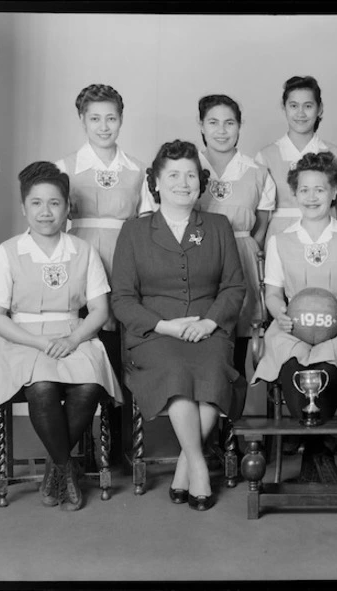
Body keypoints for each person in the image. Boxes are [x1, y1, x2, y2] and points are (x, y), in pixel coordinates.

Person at [111, 140, 246, 511]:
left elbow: (234, 286)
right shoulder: (134, 232)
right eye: (173, 175)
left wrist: (208, 323)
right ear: (155, 181)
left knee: (211, 371)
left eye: (190, 174)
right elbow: (121, 299)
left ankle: (186, 464)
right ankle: (199, 465)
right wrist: (164, 327)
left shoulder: (218, 226)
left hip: (210, 329)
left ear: (201, 182)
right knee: (176, 373)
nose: (183, 182)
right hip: (155, 335)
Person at [0, 161, 122, 511]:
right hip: (22, 340)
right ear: (24, 207)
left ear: (67, 206)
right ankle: (65, 468)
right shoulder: (7, 253)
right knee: (41, 387)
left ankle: (56, 471)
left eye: (55, 203)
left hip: (75, 333)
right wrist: (40, 343)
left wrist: (74, 340)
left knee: (89, 386)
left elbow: (100, 311)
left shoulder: (83, 251)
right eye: (36, 203)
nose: (46, 212)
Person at [251, 151, 337, 482]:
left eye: (320, 189)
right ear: (294, 194)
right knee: (296, 364)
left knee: (325, 364)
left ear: (335, 191)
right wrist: (279, 314)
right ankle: (317, 452)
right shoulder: (280, 240)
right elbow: (271, 293)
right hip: (292, 325)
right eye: (305, 190)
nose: (312, 197)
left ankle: (318, 452)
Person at [54, 83, 155, 462]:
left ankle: (118, 442)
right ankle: (82, 441)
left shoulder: (136, 169)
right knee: (84, 350)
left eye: (111, 117)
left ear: (122, 119)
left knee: (119, 353)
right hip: (79, 266)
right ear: (82, 120)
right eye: (95, 118)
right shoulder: (65, 167)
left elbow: (145, 225)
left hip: (124, 264)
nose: (103, 126)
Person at [196, 94, 276, 379]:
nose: (221, 130)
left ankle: (234, 421)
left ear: (240, 126)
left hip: (242, 256)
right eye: (213, 122)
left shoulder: (258, 172)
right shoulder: (188, 167)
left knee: (240, 343)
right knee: (204, 340)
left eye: (229, 123)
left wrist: (243, 248)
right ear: (201, 125)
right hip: (198, 257)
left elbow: (261, 227)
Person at [256, 75, 337, 240]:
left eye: (308, 106)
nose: (300, 113)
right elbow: (260, 219)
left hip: (327, 235)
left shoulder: (336, 155)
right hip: (281, 236)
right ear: (284, 107)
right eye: (293, 106)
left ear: (319, 108)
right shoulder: (265, 157)